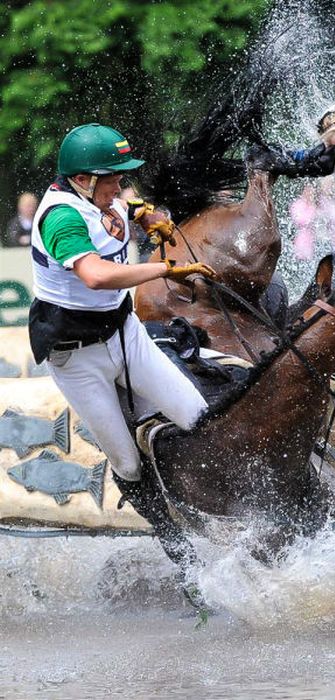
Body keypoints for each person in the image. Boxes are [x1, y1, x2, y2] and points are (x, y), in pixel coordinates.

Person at [28, 123, 216, 544]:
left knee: (198, 418)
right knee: (128, 465)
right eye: (112, 179)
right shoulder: (61, 217)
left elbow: (121, 207)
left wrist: (145, 213)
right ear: (83, 180)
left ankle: (208, 509)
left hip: (125, 334)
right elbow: (95, 276)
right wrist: (165, 269)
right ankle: (173, 541)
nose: (119, 187)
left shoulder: (94, 195)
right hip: (78, 358)